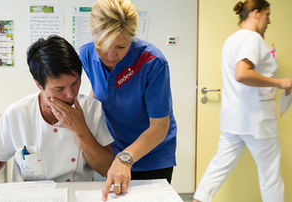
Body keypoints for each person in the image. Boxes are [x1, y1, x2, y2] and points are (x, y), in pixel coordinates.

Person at [0, 35, 115, 200]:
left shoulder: (91, 109)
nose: (70, 94)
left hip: (77, 195)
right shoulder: (18, 113)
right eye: (59, 88)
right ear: (39, 84)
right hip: (29, 196)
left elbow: (107, 168)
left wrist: (81, 129)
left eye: (75, 83)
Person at [79, 0, 177, 200]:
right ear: (92, 33)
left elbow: (159, 126)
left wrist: (125, 158)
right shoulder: (86, 53)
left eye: (120, 47)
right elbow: (100, 90)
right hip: (112, 152)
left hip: (152, 156)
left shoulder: (152, 62)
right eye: (102, 46)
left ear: (133, 37)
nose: (111, 55)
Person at [193, 1, 291, 202]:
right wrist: (279, 82)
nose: (269, 20)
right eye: (267, 14)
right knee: (270, 176)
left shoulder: (232, 40)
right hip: (257, 121)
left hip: (233, 120)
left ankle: (198, 200)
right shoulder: (252, 39)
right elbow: (242, 74)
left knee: (219, 166)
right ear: (256, 13)